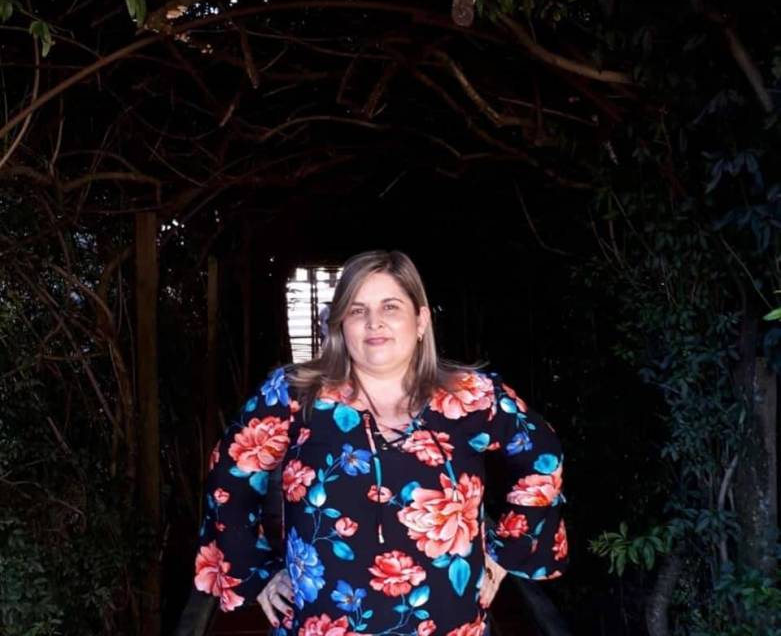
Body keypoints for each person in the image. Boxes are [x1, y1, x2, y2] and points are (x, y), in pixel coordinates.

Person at [193, 250, 567, 636]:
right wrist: (255, 572)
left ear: (420, 320)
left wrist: (508, 553)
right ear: (340, 325)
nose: (374, 322)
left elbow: (541, 456)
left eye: (391, 306)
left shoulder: (470, 396)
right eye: (357, 310)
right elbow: (229, 480)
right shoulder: (295, 396)